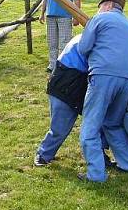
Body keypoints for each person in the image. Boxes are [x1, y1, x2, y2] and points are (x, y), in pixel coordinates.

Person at [76, 0, 128, 182]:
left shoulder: (100, 18)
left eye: (100, 6)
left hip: (104, 73)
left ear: (108, 5)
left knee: (91, 126)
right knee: (112, 123)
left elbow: (83, 47)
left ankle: (96, 174)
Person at [34, 34, 89, 166]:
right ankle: (43, 155)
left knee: (97, 121)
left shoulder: (86, 37)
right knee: (60, 125)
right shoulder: (88, 41)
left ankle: (100, 155)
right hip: (66, 83)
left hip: (72, 80)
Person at [39, 0, 81, 72]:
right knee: (52, 42)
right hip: (50, 16)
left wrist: (77, 16)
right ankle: (52, 64)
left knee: (64, 42)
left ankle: (62, 65)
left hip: (65, 17)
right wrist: (42, 14)